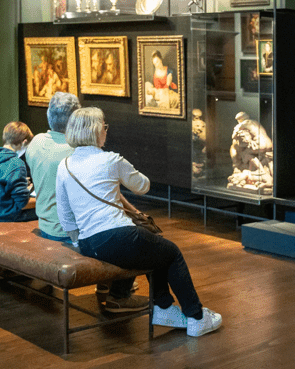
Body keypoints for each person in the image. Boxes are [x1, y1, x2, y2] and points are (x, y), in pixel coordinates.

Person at [56, 107, 222, 335]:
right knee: (171, 253)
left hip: (87, 244)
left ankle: (163, 306)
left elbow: (65, 216)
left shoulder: (64, 166)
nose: (106, 131)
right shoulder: (111, 160)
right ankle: (196, 317)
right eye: (104, 127)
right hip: (119, 237)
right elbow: (143, 186)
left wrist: (78, 241)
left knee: (154, 249)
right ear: (96, 131)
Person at [25, 92, 80, 242]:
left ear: (49, 115)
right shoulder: (78, 150)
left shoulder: (36, 142)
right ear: (75, 120)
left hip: (45, 227)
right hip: (73, 233)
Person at [0, 121, 38, 223]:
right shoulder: (16, 163)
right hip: (6, 215)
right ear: (24, 142)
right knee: (49, 210)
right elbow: (21, 202)